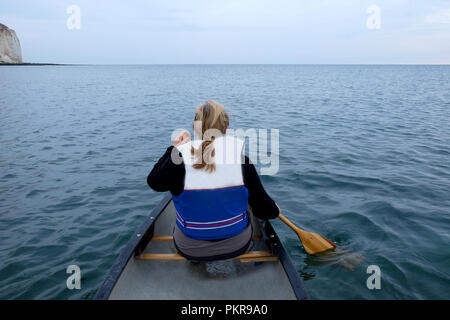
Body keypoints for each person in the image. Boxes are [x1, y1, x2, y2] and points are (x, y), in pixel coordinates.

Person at [147, 100, 280, 261]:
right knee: (251, 206)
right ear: (226, 129)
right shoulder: (242, 161)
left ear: (195, 129)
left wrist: (173, 149)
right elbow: (263, 210)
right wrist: (274, 210)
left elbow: (154, 182)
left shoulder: (179, 159)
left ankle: (197, 262)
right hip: (237, 245)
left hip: (189, 247)